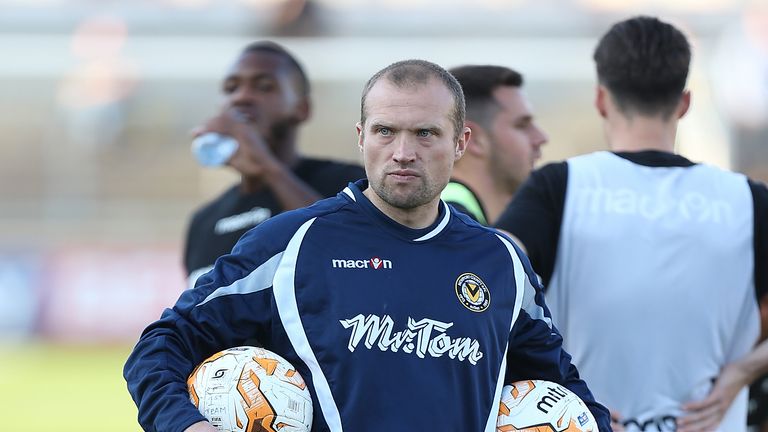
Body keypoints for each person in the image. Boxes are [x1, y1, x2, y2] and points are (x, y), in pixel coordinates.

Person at [124, 59, 612, 432]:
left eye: (425, 133)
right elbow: (161, 345)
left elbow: (564, 388)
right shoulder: (291, 244)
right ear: (361, 137)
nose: (403, 153)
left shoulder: (500, 263)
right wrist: (186, 424)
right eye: (385, 131)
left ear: (461, 142)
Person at [495, 16, 768, 432]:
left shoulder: (559, 188)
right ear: (685, 103)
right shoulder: (749, 201)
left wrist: (564, 394)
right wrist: (744, 371)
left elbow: (482, 285)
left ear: (602, 100)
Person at [183, 41, 365, 287]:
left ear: (302, 109)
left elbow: (348, 257)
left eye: (264, 86)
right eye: (230, 88)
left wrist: (270, 170)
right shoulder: (203, 221)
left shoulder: (351, 184)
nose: (242, 97)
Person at [441, 65, 548, 225]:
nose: (541, 138)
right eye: (522, 125)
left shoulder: (458, 221)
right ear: (472, 139)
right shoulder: (449, 225)